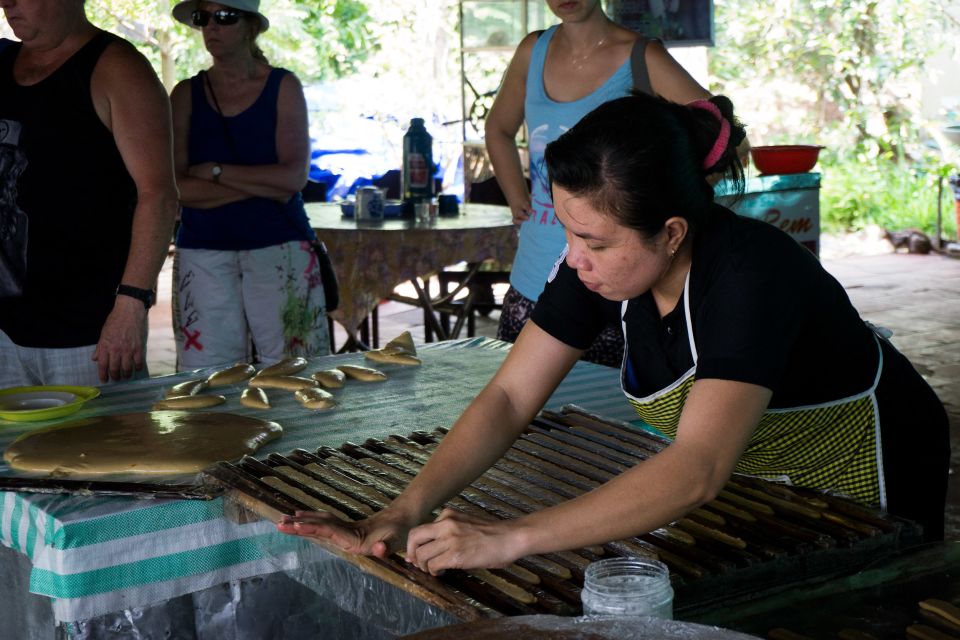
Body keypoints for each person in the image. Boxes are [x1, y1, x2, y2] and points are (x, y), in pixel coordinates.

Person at [278, 94, 950, 574]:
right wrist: (404, 508)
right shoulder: (602, 268)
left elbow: (697, 468)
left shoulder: (752, 273)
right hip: (762, 470)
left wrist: (509, 538)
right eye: (569, 233)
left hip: (871, 463)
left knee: (866, 600)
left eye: (593, 240)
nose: (573, 259)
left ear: (673, 232)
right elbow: (511, 397)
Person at [484, 0, 713, 367]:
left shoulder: (642, 56)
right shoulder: (533, 50)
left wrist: (665, 205)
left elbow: (719, 134)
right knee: (521, 409)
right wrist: (517, 197)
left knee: (611, 415)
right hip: (534, 272)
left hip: (614, 286)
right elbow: (498, 129)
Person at [0, 0, 179, 386]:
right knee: (10, 448)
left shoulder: (116, 67)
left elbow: (159, 194)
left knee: (102, 446)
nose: (6, 3)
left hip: (90, 333)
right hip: (5, 330)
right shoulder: (1, 63)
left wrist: (132, 303)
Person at [169, 0, 329, 369]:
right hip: (203, 250)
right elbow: (176, 188)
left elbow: (293, 178)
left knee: (298, 371)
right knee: (208, 377)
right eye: (202, 17)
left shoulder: (283, 86)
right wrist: (264, 183)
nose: (211, 26)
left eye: (224, 16)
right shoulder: (184, 95)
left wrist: (213, 171)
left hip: (279, 246)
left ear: (251, 26)